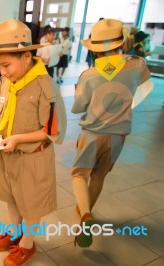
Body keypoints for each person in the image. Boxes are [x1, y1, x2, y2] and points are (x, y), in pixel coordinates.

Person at [0, 19, 67, 266]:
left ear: (26, 56)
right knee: (12, 197)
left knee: (31, 205)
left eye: (6, 65)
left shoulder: (44, 85)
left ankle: (27, 244)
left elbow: (51, 131)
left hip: (32, 157)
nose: (2, 71)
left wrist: (17, 138)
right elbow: (5, 108)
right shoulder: (10, 79)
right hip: (9, 153)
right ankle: (14, 232)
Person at [71, 19, 152, 248]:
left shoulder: (89, 74)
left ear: (94, 48)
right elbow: (145, 89)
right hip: (118, 135)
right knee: (99, 175)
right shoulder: (138, 64)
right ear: (121, 42)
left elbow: (77, 108)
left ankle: (85, 214)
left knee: (79, 175)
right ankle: (86, 213)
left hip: (92, 134)